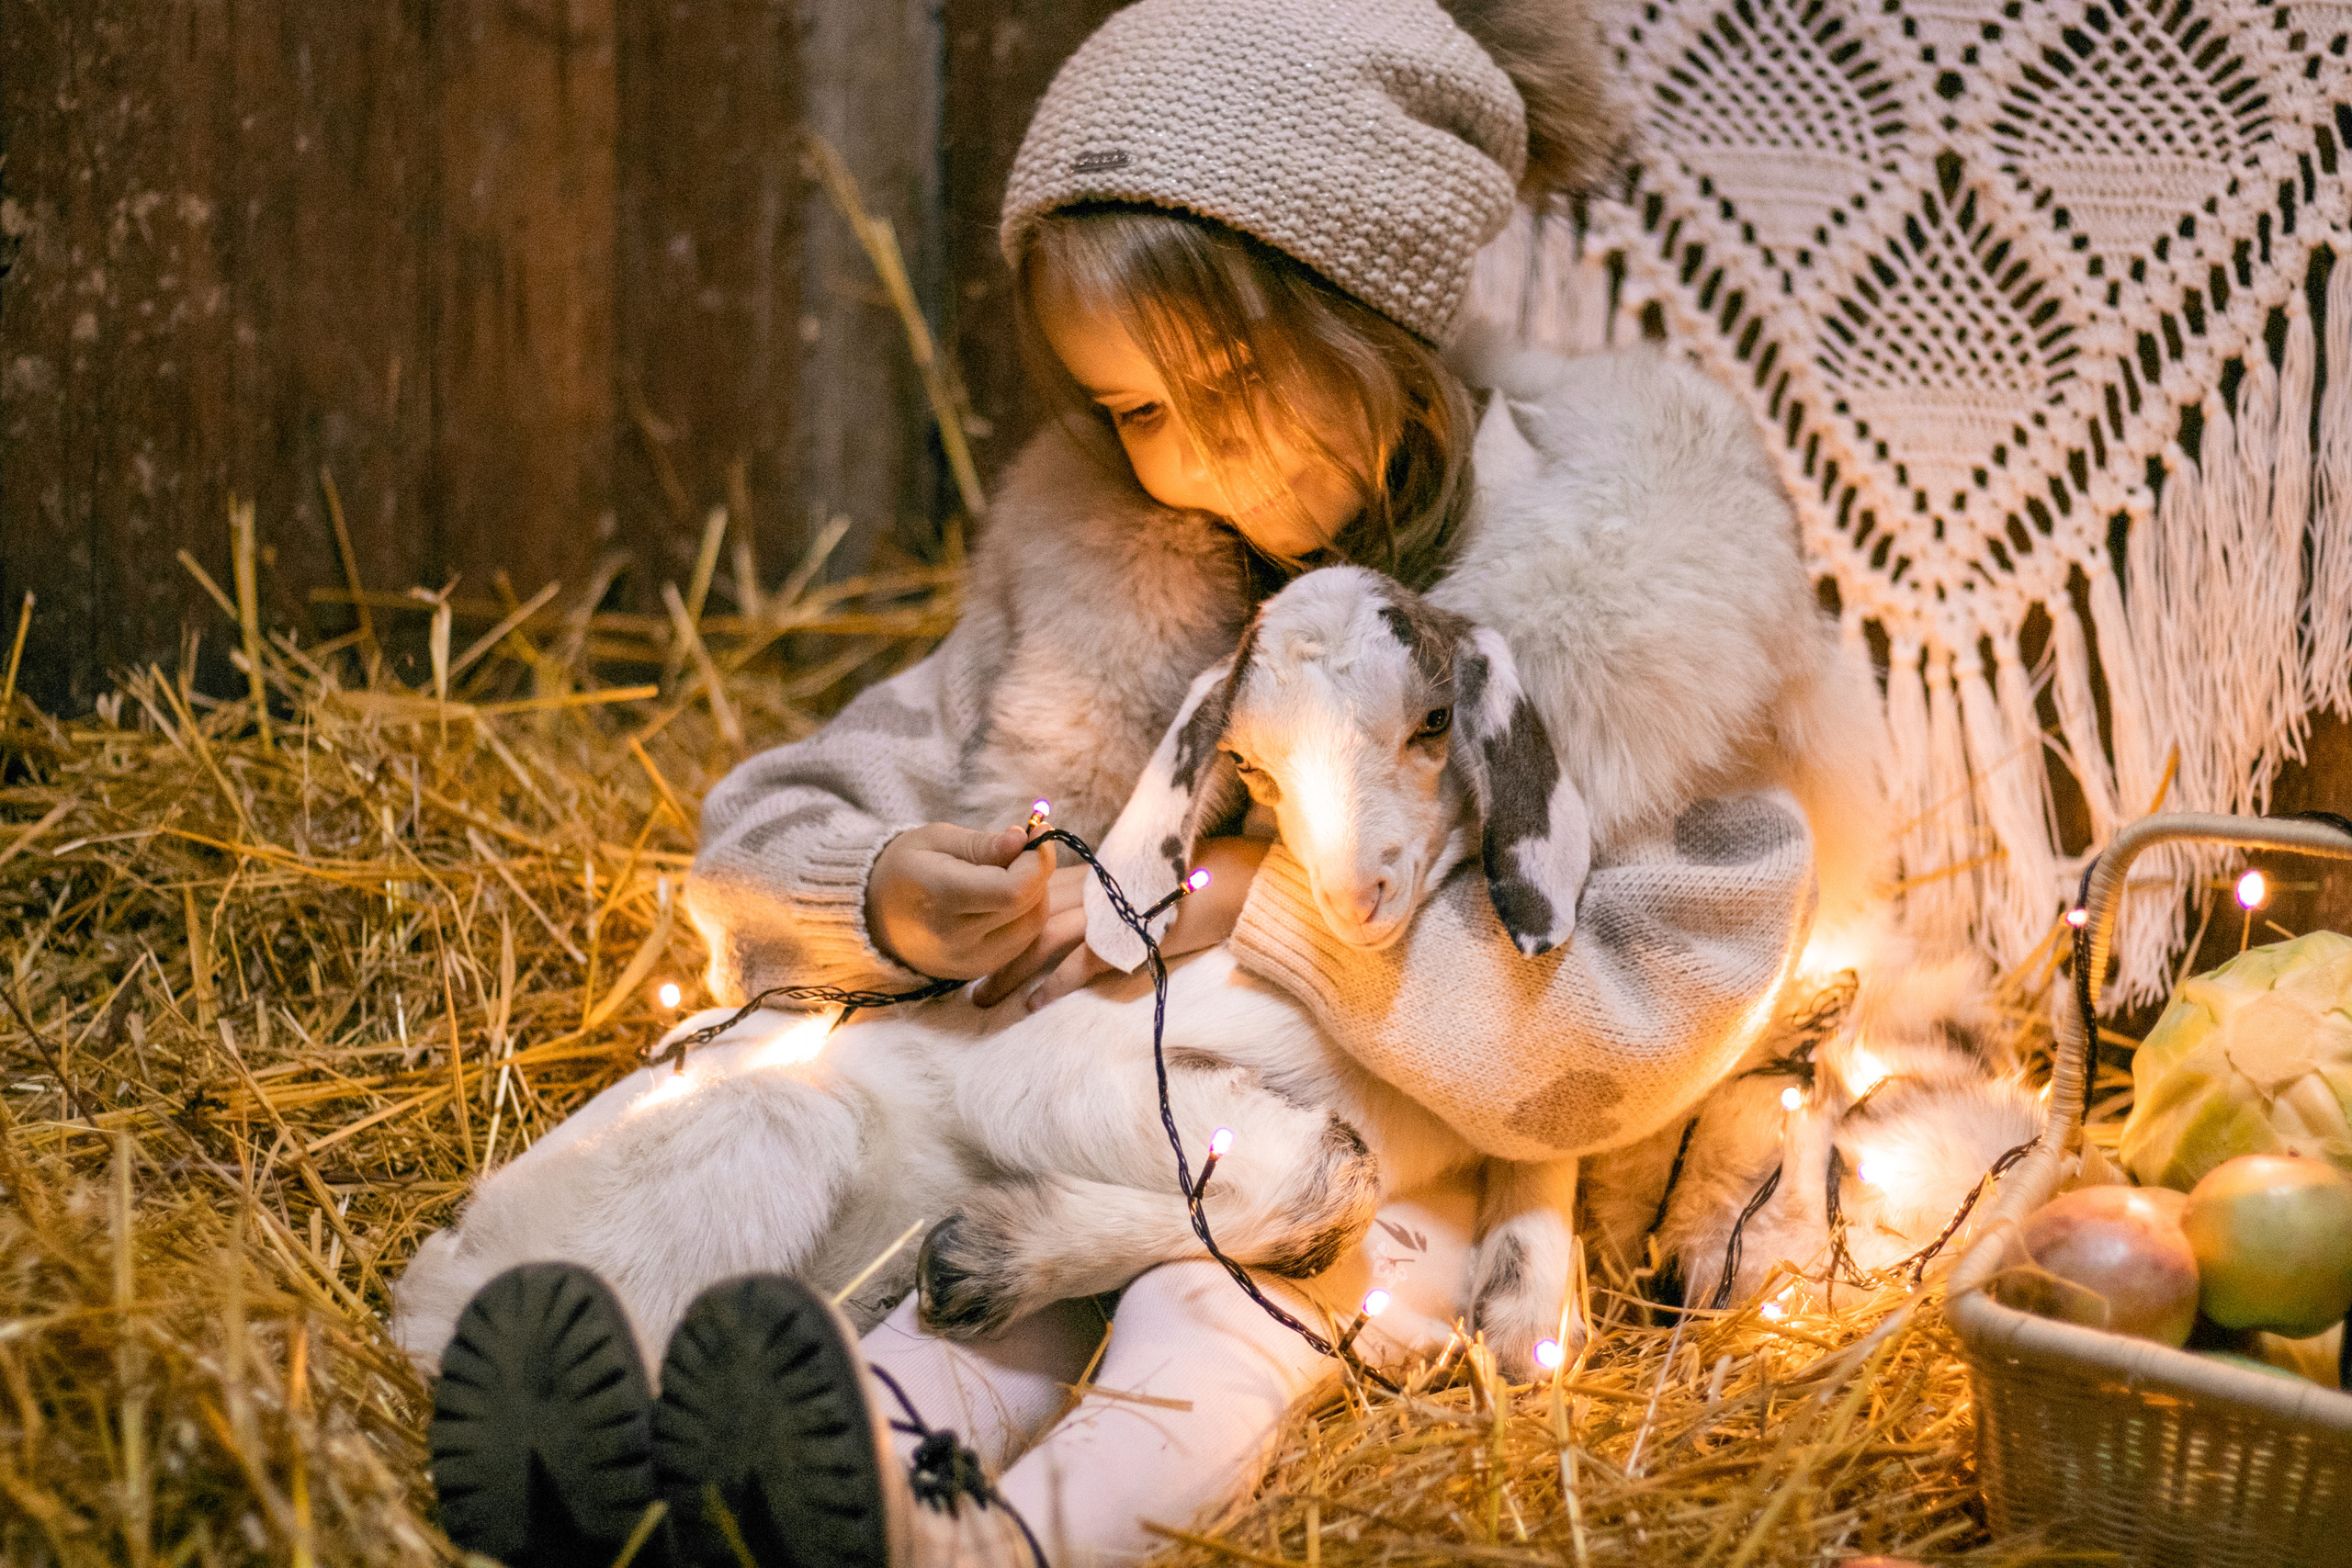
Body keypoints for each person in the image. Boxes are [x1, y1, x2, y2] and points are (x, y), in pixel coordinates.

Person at [426, 0, 1842, 1562]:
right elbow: (776, 831)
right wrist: (888, 889)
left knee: (1201, 1299)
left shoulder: (1644, 620)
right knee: (863, 1184)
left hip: (1353, 1176)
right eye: (1123, 415)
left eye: (1204, 391)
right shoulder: (1112, 568)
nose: (1167, 460)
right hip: (1060, 1101)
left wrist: (1272, 916)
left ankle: (986, 1539)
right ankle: (762, 1464)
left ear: (1358, 317)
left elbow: (1657, 1011)